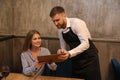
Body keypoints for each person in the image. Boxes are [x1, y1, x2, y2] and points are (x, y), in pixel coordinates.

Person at [49, 6, 101, 80]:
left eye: (57, 20)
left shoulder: (77, 23)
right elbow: (63, 48)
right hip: (76, 60)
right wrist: (61, 51)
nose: (56, 23)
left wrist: (69, 53)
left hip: (89, 59)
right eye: (53, 21)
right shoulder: (60, 30)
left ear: (64, 15)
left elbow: (86, 44)